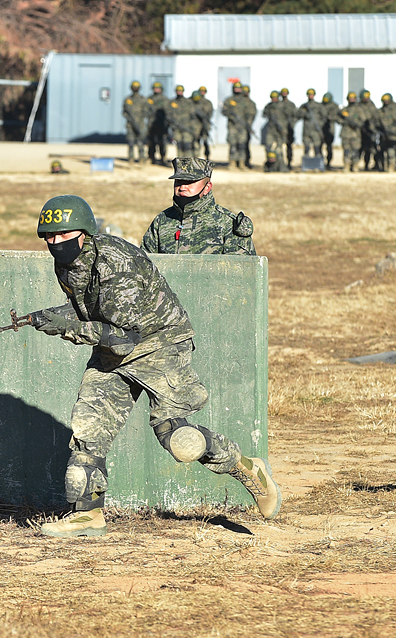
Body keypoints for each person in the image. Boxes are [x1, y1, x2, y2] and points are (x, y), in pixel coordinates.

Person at [28, 195, 281, 537]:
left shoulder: (117, 263)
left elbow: (124, 333)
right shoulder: (68, 263)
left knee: (180, 440)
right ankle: (87, 515)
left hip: (158, 344)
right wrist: (52, 314)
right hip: (112, 352)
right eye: (49, 237)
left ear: (85, 233)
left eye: (63, 235)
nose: (55, 243)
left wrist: (66, 327)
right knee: (88, 433)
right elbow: (93, 308)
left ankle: (249, 469)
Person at [142, 157, 256, 255]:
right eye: (178, 182)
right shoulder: (162, 220)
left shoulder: (227, 223)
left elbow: (242, 272)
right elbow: (144, 265)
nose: (182, 187)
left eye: (189, 183)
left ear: (207, 187)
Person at [221, 82, 253, 169]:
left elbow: (250, 113)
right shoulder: (229, 100)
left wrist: (248, 123)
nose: (237, 90)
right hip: (232, 126)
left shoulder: (246, 101)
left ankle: (242, 163)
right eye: (236, 88)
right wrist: (231, 116)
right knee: (233, 144)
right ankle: (232, 163)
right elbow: (224, 111)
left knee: (242, 145)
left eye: (239, 88)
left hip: (242, 127)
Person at [166, 84, 199, 158]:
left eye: (180, 91)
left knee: (187, 145)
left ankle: (188, 162)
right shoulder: (172, 102)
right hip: (177, 128)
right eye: (178, 91)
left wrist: (194, 128)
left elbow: (193, 116)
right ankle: (181, 163)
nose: (179, 92)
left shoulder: (188, 102)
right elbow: (168, 115)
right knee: (179, 145)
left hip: (187, 128)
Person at [262, 91, 289, 172]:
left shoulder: (283, 105)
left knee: (279, 150)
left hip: (280, 130)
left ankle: (280, 166)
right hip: (271, 130)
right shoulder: (269, 106)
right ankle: (270, 166)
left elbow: (289, 115)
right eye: (272, 98)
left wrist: (285, 127)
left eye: (275, 97)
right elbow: (264, 114)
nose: (274, 99)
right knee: (268, 147)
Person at [122, 80, 148, 165]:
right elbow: (124, 112)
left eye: (137, 87)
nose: (135, 89)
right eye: (134, 87)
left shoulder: (143, 99)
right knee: (131, 143)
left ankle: (141, 159)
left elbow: (146, 111)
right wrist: (130, 119)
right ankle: (131, 159)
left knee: (140, 143)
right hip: (130, 125)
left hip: (140, 124)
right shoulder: (127, 99)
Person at [338, 92, 364, 172]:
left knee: (356, 150)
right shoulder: (344, 110)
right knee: (346, 150)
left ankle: (355, 165)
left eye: (353, 98)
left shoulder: (359, 110)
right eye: (350, 98)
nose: (352, 100)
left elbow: (363, 120)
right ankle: (346, 165)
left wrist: (356, 124)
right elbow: (338, 118)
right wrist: (344, 122)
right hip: (346, 134)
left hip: (355, 134)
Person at [146, 82, 169, 166]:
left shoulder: (164, 99)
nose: (156, 90)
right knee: (151, 142)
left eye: (158, 88)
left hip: (162, 124)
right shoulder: (149, 99)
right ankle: (151, 157)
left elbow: (168, 112)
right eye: (155, 88)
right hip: (152, 124)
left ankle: (163, 158)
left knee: (162, 142)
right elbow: (146, 110)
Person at [377, 93, 396, 172]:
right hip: (385, 135)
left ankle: (395, 166)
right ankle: (389, 166)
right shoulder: (381, 111)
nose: (386, 102)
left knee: (395, 150)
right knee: (387, 150)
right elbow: (377, 122)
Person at [298, 88, 324, 160]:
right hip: (307, 131)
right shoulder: (304, 106)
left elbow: (324, 117)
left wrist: (320, 124)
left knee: (317, 148)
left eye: (312, 95)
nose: (310, 96)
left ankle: (318, 165)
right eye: (309, 95)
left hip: (316, 130)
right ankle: (306, 165)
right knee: (306, 148)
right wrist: (304, 113)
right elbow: (298, 115)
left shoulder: (318, 106)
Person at [358, 90, 379, 171]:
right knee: (359, 149)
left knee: (369, 149)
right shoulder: (358, 106)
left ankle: (368, 165)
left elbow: (375, 117)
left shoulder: (372, 106)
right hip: (359, 132)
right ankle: (354, 165)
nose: (366, 99)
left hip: (369, 132)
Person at [192, 86, 214, 160]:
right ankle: (196, 156)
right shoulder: (194, 101)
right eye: (201, 91)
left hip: (205, 124)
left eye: (204, 91)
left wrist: (205, 119)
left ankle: (207, 156)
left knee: (205, 141)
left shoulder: (207, 102)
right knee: (196, 141)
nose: (202, 92)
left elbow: (210, 113)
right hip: (196, 125)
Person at [278, 88, 297, 165]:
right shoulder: (278, 104)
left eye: (285, 93)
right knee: (279, 146)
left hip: (289, 129)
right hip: (280, 128)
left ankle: (289, 162)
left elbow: (295, 116)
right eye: (283, 93)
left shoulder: (291, 105)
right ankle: (280, 163)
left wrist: (292, 124)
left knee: (289, 146)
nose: (284, 94)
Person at [321, 92, 339, 168]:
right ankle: (321, 162)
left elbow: (335, 116)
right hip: (321, 129)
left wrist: (328, 117)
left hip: (330, 129)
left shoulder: (334, 106)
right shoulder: (321, 105)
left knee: (329, 147)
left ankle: (328, 162)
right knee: (319, 146)